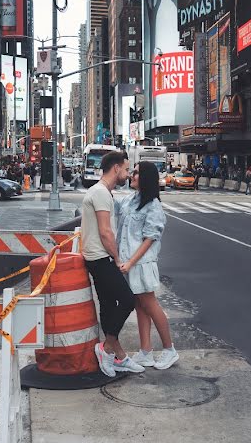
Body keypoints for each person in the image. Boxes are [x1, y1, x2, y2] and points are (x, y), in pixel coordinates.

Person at [81, 151, 144, 376]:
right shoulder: (100, 193)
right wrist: (117, 259)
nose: (127, 174)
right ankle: (105, 348)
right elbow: (105, 232)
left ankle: (120, 357)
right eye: (126, 169)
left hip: (95, 257)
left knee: (108, 307)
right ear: (116, 168)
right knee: (127, 300)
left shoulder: (101, 192)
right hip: (100, 258)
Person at [117, 162, 178, 370]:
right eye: (132, 172)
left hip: (141, 264)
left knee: (150, 305)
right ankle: (146, 351)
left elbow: (149, 239)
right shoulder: (129, 201)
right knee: (140, 306)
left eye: (136, 173)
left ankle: (170, 350)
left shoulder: (153, 206)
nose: (132, 176)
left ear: (146, 178)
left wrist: (131, 262)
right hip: (128, 262)